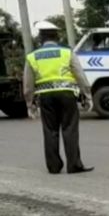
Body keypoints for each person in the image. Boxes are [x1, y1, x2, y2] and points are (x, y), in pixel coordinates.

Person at [23, 21, 94, 174]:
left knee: (50, 130)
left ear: (40, 38)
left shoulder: (32, 56)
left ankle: (54, 166)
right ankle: (74, 165)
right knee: (70, 129)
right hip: (67, 95)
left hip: (46, 97)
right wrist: (87, 95)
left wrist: (30, 105)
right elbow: (80, 75)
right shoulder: (67, 52)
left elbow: (28, 85)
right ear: (57, 36)